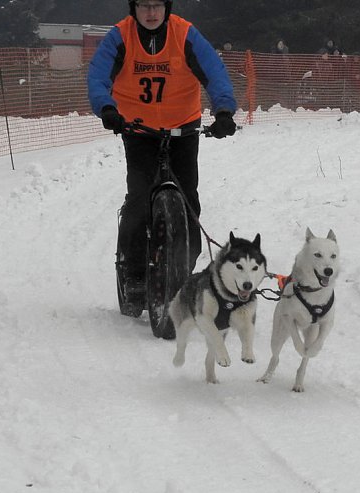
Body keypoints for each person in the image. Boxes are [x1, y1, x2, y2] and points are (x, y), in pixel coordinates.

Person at [87, 0, 237, 305]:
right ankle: (133, 273)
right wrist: (106, 107)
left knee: (189, 199)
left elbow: (215, 72)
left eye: (157, 5)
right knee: (140, 197)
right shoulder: (119, 37)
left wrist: (223, 110)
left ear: (167, 7)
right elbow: (98, 76)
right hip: (137, 130)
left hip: (183, 128)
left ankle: (184, 266)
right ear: (134, 8)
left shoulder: (186, 35)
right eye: (144, 6)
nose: (151, 13)